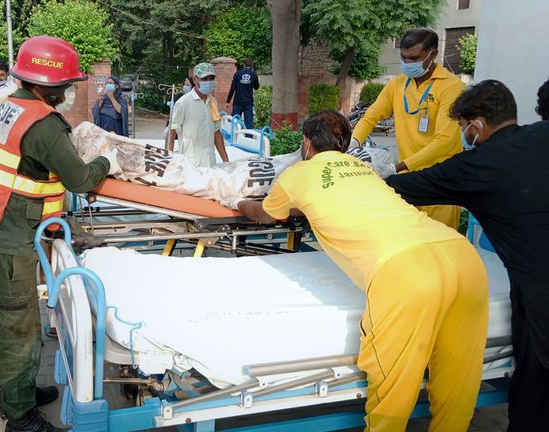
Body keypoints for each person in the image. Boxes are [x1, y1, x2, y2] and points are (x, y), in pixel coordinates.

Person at [231, 111, 489, 431]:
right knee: (457, 383)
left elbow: (267, 215)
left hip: (406, 272)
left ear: (307, 143)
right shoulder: (364, 170)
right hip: (463, 258)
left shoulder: (299, 174)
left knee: (392, 395)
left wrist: (242, 202)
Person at [0, 36, 120, 432]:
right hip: (1, 240)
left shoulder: (9, 106)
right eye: (65, 85)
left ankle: (18, 393)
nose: (67, 92)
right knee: (18, 330)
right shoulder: (42, 124)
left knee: (6, 324)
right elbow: (80, 179)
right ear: (46, 84)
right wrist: (107, 159)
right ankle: (20, 417)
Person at [385, 80, 549, 431]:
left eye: (463, 128)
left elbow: (402, 188)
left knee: (533, 401)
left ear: (476, 125)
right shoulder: (542, 136)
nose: (464, 135)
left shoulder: (478, 166)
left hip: (541, 300)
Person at [351, 28, 464, 229]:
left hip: (440, 180)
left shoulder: (451, 86)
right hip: (409, 180)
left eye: (414, 58)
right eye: (403, 58)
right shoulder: (398, 84)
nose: (408, 64)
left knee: (439, 245)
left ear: (433, 54)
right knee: (408, 239)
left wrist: (397, 167)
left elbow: (444, 141)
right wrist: (353, 144)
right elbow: (371, 117)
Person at [167, 62, 229, 168]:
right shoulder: (183, 103)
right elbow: (172, 132)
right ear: (195, 80)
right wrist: (169, 160)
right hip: (190, 164)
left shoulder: (213, 102)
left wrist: (227, 162)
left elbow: (217, 133)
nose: (208, 82)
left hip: (210, 163)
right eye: (204, 79)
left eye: (211, 78)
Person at [226, 58, 260, 129]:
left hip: (238, 102)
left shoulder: (237, 74)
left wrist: (228, 101)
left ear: (243, 65)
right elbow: (256, 87)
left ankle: (235, 136)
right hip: (248, 102)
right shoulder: (254, 74)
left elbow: (232, 88)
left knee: (235, 121)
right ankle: (248, 137)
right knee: (248, 122)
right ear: (251, 65)